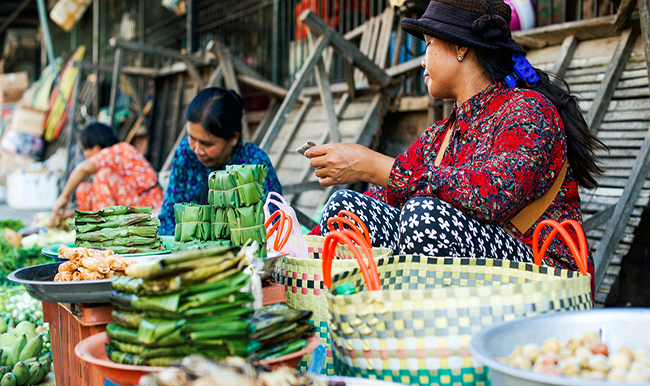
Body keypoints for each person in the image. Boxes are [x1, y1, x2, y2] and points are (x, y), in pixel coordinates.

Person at [305, 0, 605, 279]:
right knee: (345, 207)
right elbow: (389, 194)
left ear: (461, 48)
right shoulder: (441, 134)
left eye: (429, 45)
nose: (423, 62)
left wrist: (372, 166)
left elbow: (492, 195)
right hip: (475, 273)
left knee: (424, 218)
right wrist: (301, 244)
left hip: (543, 274)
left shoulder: (528, 111)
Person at [158, 87, 282, 235]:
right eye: (192, 138)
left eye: (207, 144)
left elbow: (274, 225)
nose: (197, 149)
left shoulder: (255, 164)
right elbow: (169, 217)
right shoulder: (186, 153)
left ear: (233, 138)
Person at [52, 122, 163, 219]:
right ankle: (90, 230)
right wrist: (66, 215)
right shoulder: (112, 161)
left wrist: (63, 196)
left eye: (85, 151)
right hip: (133, 205)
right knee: (84, 189)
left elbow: (83, 168)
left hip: (149, 208)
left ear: (95, 148)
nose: (86, 157)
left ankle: (104, 233)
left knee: (103, 176)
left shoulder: (120, 149)